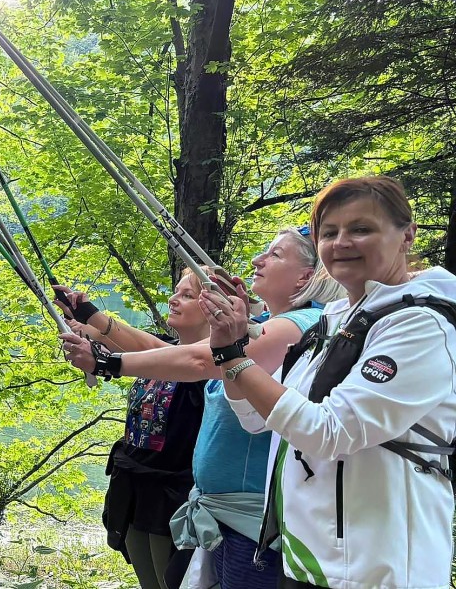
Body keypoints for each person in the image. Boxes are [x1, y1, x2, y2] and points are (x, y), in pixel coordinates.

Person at [202, 176, 456, 588]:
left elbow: (330, 432)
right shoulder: (333, 320)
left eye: (361, 229)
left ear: (407, 235)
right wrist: (228, 347)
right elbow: (254, 416)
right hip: (308, 557)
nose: (341, 243)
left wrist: (232, 357)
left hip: (377, 568)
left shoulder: (422, 325)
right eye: (330, 232)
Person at [59, 227, 343, 589]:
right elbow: (168, 352)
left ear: (306, 276)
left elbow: (198, 361)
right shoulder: (265, 326)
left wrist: (106, 363)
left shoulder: (297, 325)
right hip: (224, 515)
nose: (258, 260)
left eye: (274, 254)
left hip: (249, 518)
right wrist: (92, 319)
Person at [53, 268, 212, 589]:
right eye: (176, 291)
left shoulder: (211, 364)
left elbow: (157, 351)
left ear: (213, 309)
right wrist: (80, 321)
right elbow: (128, 343)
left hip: (173, 498)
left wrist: (95, 320)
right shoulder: (161, 348)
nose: (174, 299)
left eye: (187, 295)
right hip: (133, 490)